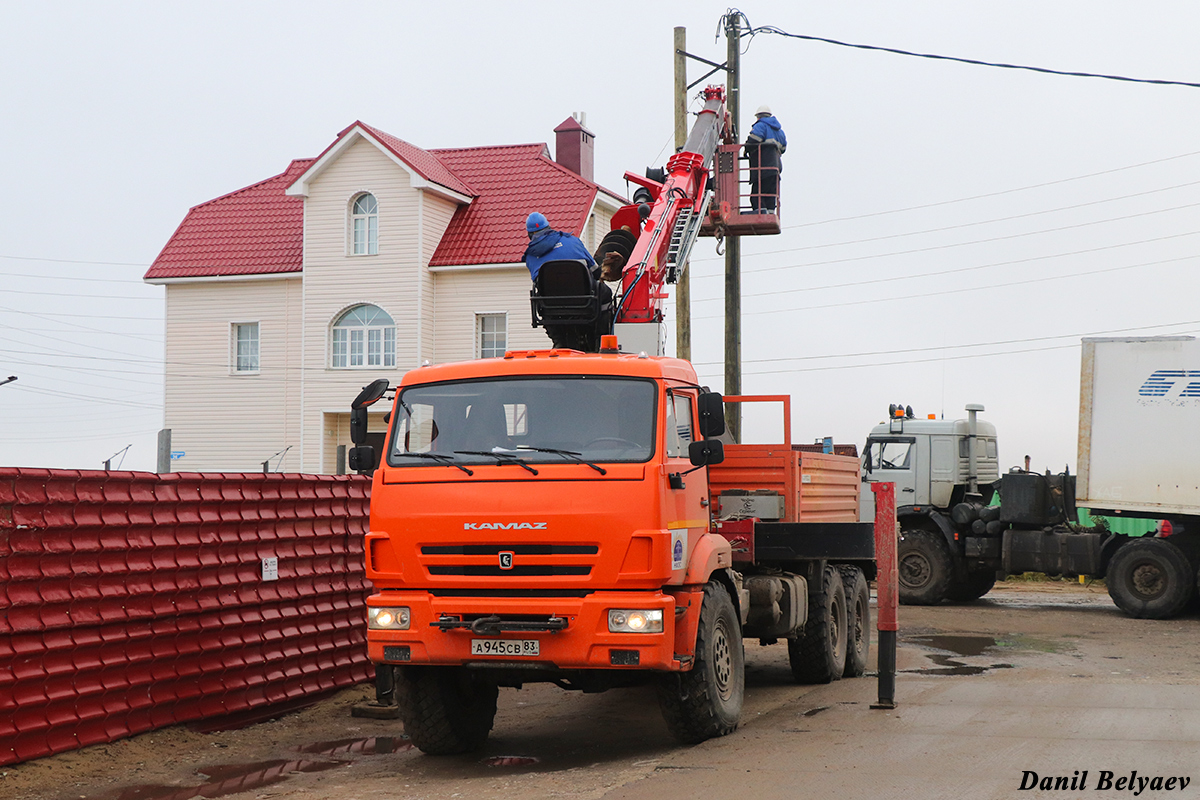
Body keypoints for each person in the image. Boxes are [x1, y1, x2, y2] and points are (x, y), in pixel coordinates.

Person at [523, 212, 624, 350]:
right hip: (585, 303)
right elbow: (595, 272)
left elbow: (539, 283)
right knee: (605, 292)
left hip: (552, 308)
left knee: (539, 296)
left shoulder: (530, 256)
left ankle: (558, 339)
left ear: (530, 235)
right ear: (549, 227)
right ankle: (601, 336)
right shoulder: (572, 241)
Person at [744, 105, 786, 213]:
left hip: (762, 167)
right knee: (770, 195)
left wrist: (746, 148)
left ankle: (760, 213)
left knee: (757, 196)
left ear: (758, 117)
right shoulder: (780, 132)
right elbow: (783, 148)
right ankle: (770, 214)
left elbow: (754, 139)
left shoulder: (761, 125)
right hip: (775, 168)